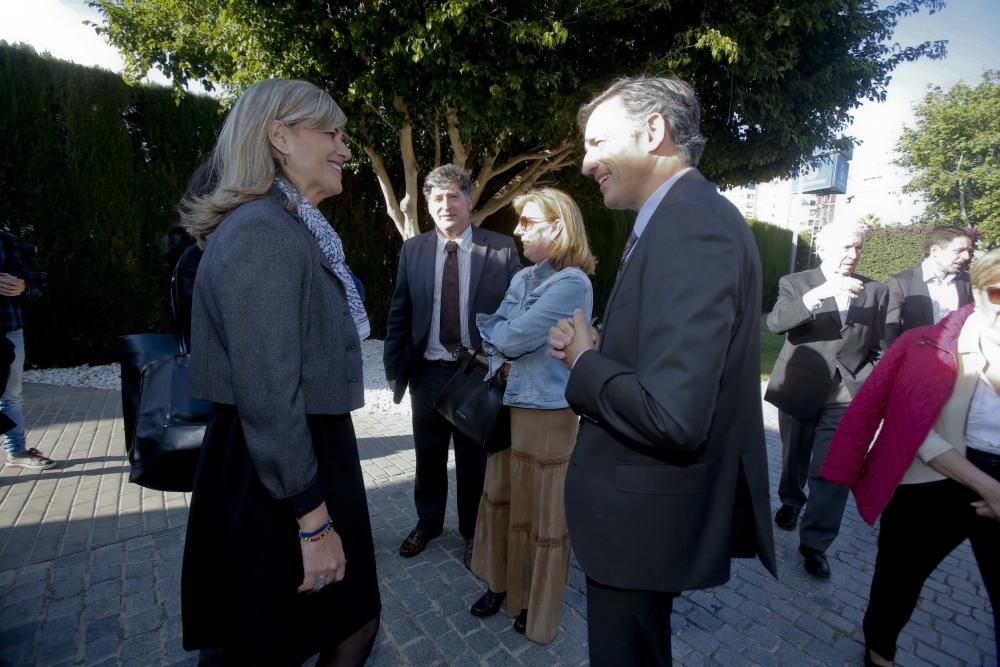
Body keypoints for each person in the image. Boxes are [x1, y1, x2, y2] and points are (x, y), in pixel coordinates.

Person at [547, 75, 776, 666]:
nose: (587, 162)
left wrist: (585, 362)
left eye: (597, 142)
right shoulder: (676, 217)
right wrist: (600, 347)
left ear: (654, 131)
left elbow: (673, 415)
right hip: (641, 519)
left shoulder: (691, 225)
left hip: (640, 525)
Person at [179, 78, 380, 666]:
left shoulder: (291, 224)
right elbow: (267, 391)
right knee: (275, 639)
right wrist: (313, 523)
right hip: (277, 468)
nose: (344, 148)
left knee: (339, 623)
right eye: (332, 134)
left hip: (295, 455)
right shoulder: (264, 231)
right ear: (279, 138)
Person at [822, 247, 1000, 667]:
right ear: (977, 291)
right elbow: (911, 427)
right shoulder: (926, 345)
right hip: (931, 476)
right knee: (897, 584)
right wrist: (990, 488)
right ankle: (878, 655)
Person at [469, 188, 596, 643]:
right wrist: (501, 339)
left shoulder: (573, 284)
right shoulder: (524, 278)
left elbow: (510, 335)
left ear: (557, 227)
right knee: (505, 504)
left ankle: (533, 606)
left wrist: (501, 339)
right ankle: (501, 586)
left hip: (548, 415)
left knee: (542, 519)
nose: (517, 230)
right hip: (509, 408)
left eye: (527, 222)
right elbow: (490, 330)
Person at [383, 164, 521, 568]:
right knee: (427, 456)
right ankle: (427, 523)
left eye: (453, 196)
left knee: (472, 460)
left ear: (469, 200)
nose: (446, 205)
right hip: (427, 373)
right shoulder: (413, 250)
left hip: (475, 375)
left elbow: (517, 313)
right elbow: (399, 314)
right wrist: (396, 372)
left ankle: (472, 531)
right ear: (428, 205)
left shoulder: (501, 248)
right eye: (437, 198)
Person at [765, 222, 887, 579]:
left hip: (845, 396)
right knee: (794, 458)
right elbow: (776, 324)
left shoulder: (874, 290)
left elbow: (879, 345)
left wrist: (865, 380)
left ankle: (815, 544)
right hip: (801, 385)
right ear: (823, 247)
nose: (853, 255)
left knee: (833, 472)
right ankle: (790, 501)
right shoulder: (795, 283)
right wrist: (821, 293)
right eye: (846, 247)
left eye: (858, 248)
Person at [0, 231, 52, 470]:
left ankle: (16, 452)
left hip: (10, 329)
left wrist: (23, 286)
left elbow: (36, 283)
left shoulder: (8, 241)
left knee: (12, 395)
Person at [884, 225, 974, 346]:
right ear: (935, 251)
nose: (966, 257)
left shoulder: (967, 281)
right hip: (915, 359)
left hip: (956, 359)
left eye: (969, 251)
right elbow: (889, 331)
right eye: (959, 251)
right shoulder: (900, 283)